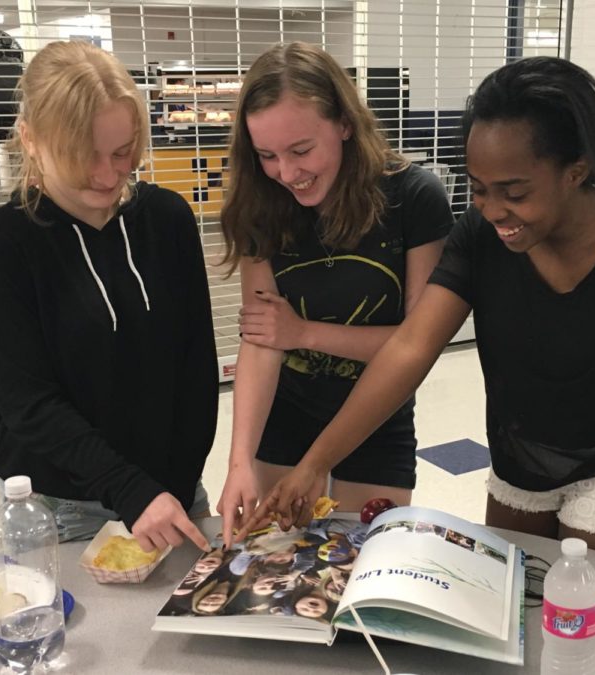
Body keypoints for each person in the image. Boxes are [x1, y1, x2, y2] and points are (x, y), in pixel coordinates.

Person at [243, 56, 595, 572]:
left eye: (515, 192)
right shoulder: (482, 236)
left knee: (592, 611)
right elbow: (411, 346)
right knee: (516, 605)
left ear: (577, 171)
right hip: (517, 462)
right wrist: (313, 466)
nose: (494, 210)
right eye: (478, 189)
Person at [0, 41, 218, 553]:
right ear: (30, 140)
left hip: (171, 497)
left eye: (122, 152)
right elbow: (29, 403)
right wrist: (130, 489)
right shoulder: (2, 243)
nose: (107, 176)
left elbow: (196, 366)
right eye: (82, 158)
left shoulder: (167, 219)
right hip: (61, 510)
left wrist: (173, 484)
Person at [216, 41, 454, 547]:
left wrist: (303, 333)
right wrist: (238, 462)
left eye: (302, 150)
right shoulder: (262, 204)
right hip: (285, 418)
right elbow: (263, 340)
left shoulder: (412, 198)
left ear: (345, 123)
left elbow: (416, 345)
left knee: (362, 570)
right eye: (267, 156)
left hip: (376, 418)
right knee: (274, 570)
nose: (287, 173)